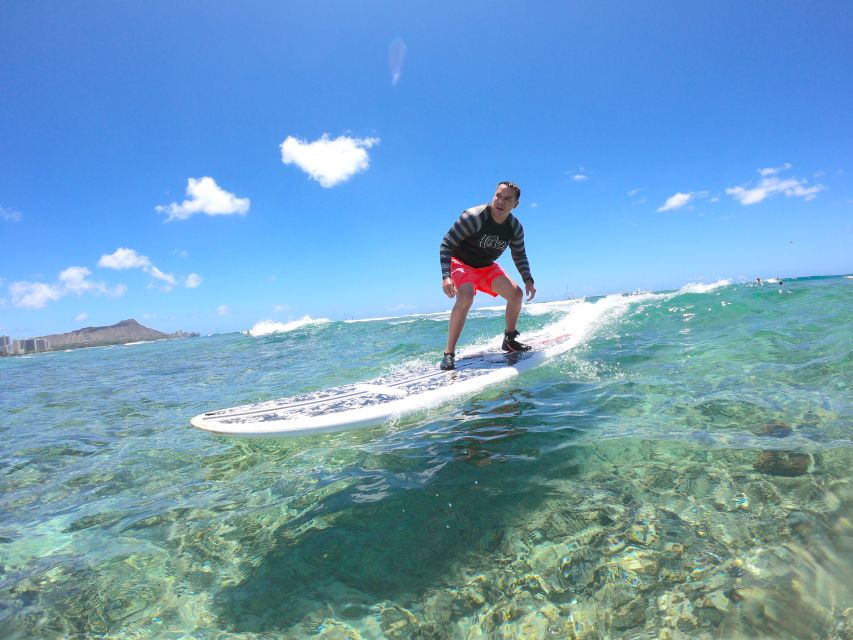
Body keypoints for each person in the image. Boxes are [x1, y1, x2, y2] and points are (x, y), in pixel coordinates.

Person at [438, 181, 536, 370]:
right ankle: (449, 353)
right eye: (498, 195)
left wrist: (528, 279)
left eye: (508, 198)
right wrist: (446, 276)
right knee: (465, 296)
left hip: (486, 267)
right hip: (461, 263)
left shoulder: (514, 227)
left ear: (515, 204)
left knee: (516, 295)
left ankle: (509, 339)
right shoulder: (474, 217)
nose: (501, 201)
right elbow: (446, 244)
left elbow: (519, 254)